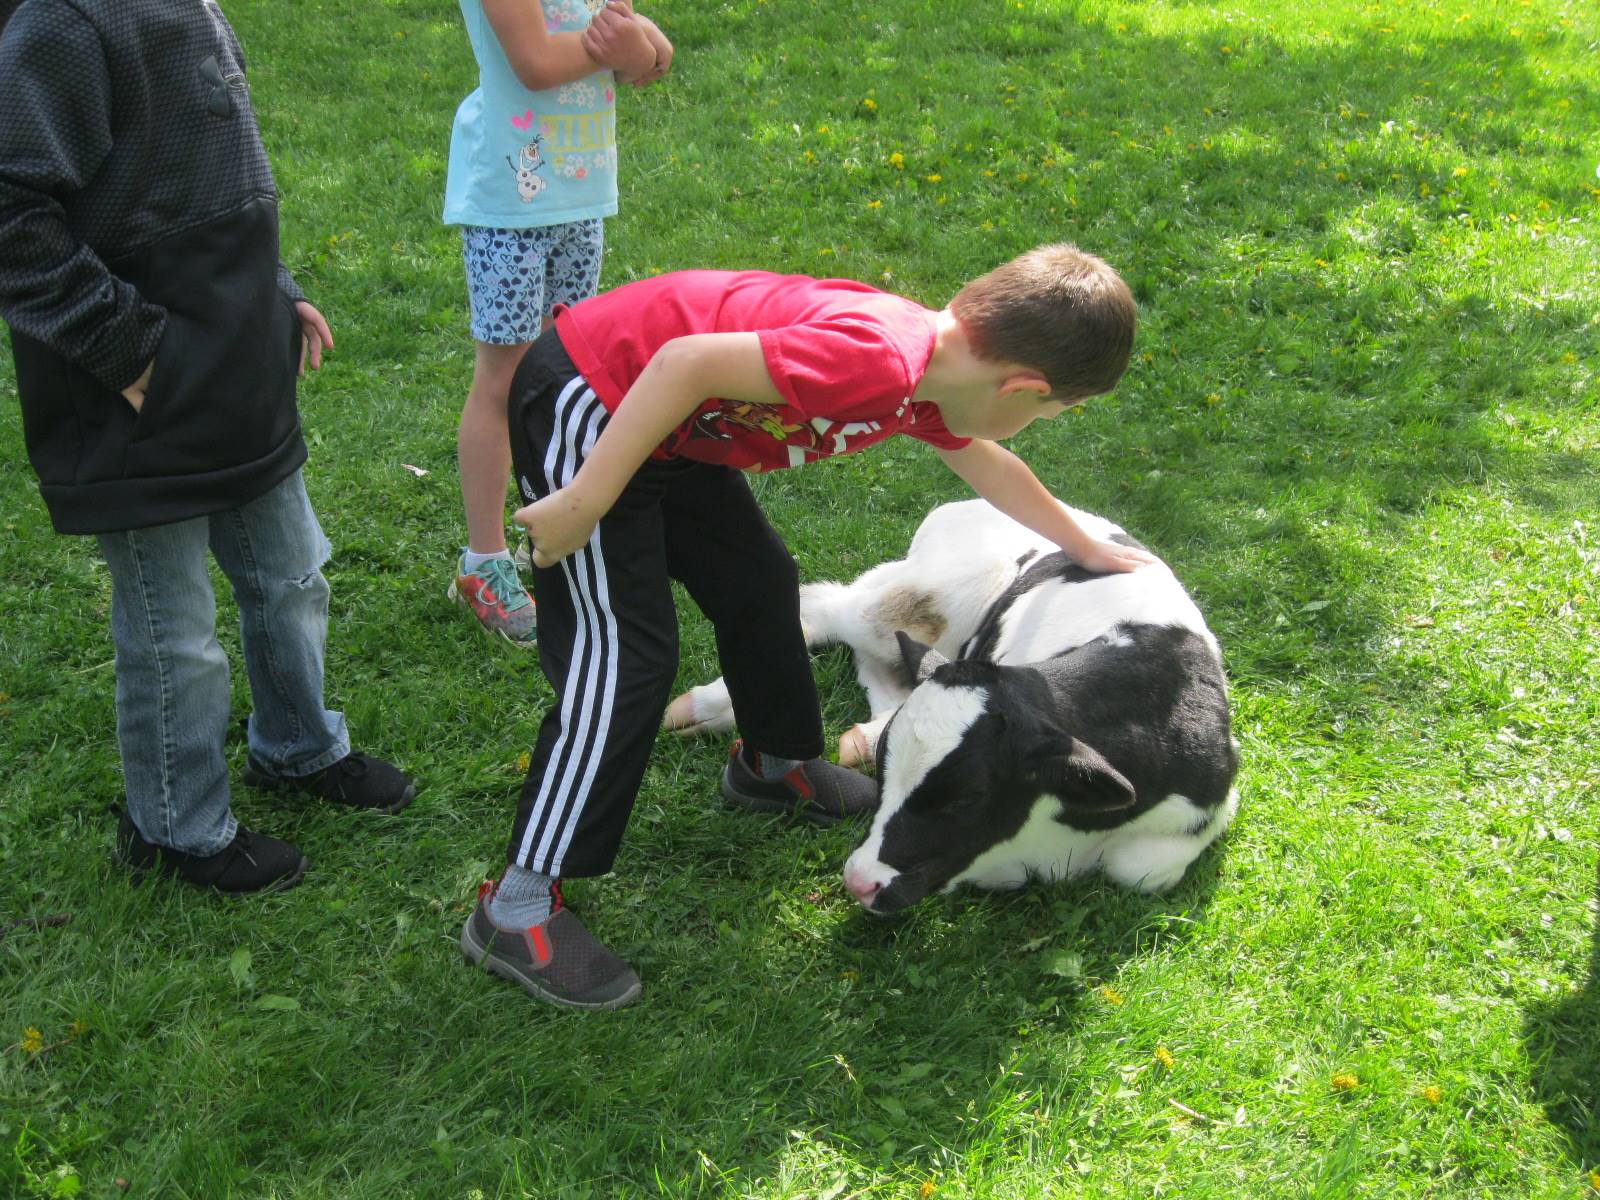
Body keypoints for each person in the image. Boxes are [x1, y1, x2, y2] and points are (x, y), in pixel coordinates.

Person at [457, 243, 1154, 1008]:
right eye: (1048, 413)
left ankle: (772, 762)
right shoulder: (881, 363)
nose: (1036, 424)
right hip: (594, 406)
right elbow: (684, 363)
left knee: (758, 581)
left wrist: (1083, 545)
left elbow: (988, 463)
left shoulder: (933, 379)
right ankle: (515, 907)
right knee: (625, 659)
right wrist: (586, 500)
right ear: (1020, 385)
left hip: (675, 431)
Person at [0, 0, 415, 895]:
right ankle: (175, 829)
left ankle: (299, 748)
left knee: (292, 574)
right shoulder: (62, 26)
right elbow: (10, 210)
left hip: (232, 354)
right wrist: (127, 348)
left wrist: (275, 289)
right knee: (172, 632)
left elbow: (216, 178)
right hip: (133, 385)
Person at [444, 0, 673, 646]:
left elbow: (651, 51)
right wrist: (618, 49)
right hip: (510, 208)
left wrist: (640, 49)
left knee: (557, 370)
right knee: (504, 379)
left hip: (579, 199)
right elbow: (538, 62)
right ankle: (484, 562)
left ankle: (552, 523)